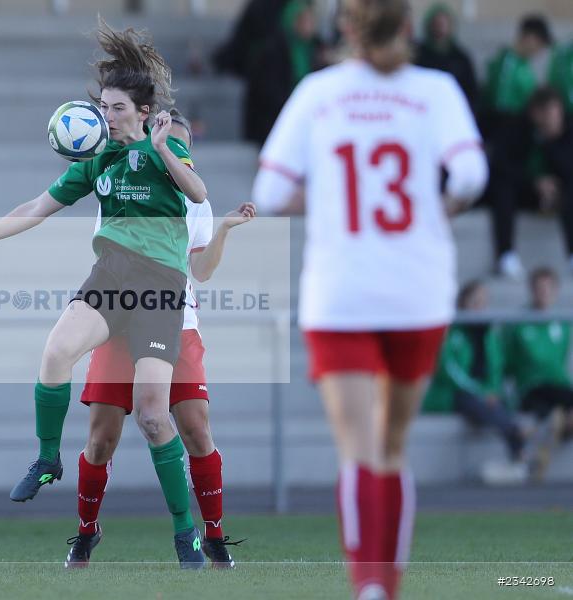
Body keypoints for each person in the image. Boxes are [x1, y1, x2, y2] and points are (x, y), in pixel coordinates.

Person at [0, 19, 209, 567]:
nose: (106, 116)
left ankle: (185, 532)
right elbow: (35, 209)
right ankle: (47, 458)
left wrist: (165, 149)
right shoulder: (97, 160)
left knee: (153, 417)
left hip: (161, 289)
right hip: (112, 276)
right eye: (104, 107)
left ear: (142, 112)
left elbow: (198, 190)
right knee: (55, 352)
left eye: (117, 108)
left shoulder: (166, 147)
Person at [251, 0, 488, 597]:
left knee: (356, 451)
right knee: (393, 445)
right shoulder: (437, 89)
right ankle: (391, 585)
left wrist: (329, 198)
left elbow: (271, 191)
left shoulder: (317, 91)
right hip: (418, 289)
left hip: (342, 291)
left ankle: (368, 589)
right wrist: (441, 211)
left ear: (345, 30)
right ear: (409, 27)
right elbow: (469, 177)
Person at [65, 112, 253, 569]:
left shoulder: (196, 202)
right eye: (168, 142)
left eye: (181, 146)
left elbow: (201, 271)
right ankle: (86, 533)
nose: (174, 151)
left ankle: (213, 536)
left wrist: (224, 230)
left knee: (195, 428)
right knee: (100, 439)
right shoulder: (126, 181)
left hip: (175, 319)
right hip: (119, 318)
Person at [423, 281, 527, 476]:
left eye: (483, 301)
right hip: (451, 393)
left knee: (501, 402)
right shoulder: (450, 331)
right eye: (475, 300)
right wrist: (482, 392)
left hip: (482, 395)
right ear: (463, 302)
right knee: (474, 401)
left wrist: (491, 391)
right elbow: (450, 372)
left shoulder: (488, 335)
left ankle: (516, 451)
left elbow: (495, 370)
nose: (480, 305)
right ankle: (515, 438)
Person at [482, 15, 553, 279]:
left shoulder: (522, 67)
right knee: (505, 187)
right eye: (539, 44)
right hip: (504, 141)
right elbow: (500, 107)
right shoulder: (508, 63)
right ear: (530, 38)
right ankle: (505, 253)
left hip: (519, 142)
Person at [213, 0, 325, 145]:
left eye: (311, 19)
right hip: (274, 126)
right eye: (303, 19)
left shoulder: (316, 49)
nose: (309, 25)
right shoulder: (272, 54)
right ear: (292, 20)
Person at [504, 267, 573, 480]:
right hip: (530, 387)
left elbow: (558, 363)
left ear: (555, 290)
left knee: (559, 410)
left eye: (547, 288)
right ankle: (551, 429)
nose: (543, 293)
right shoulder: (518, 324)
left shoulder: (562, 322)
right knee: (554, 408)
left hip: (557, 387)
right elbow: (507, 363)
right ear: (531, 290)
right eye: (539, 288)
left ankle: (544, 440)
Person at [528, 87, 573, 275]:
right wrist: (538, 181)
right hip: (530, 191)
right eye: (547, 113)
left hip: (561, 191)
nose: (552, 118)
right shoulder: (524, 133)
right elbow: (514, 166)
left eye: (555, 112)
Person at [414, 3, 477, 109]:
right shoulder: (419, 54)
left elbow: (471, 92)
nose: (440, 28)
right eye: (437, 23)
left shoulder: (460, 57)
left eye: (444, 23)